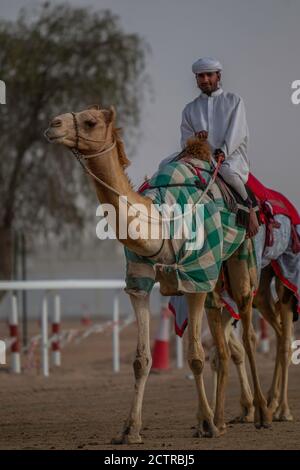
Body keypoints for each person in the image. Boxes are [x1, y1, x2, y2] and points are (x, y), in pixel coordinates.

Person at [180, 57, 259, 237]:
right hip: (202, 158)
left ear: (218, 75)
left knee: (228, 173)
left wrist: (223, 151)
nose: (205, 80)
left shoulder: (234, 101)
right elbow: (185, 140)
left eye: (209, 75)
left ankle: (250, 208)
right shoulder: (190, 109)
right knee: (166, 165)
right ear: (196, 79)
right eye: (201, 76)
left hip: (231, 157)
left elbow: (238, 132)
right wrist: (196, 140)